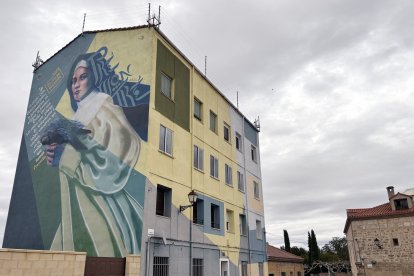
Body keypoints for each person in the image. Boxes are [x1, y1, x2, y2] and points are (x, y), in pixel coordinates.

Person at [45, 54, 143, 257]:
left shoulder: (103, 106)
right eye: (73, 80)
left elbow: (118, 156)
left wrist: (66, 158)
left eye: (82, 77)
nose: (76, 85)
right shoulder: (78, 114)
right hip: (75, 204)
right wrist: (56, 154)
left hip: (102, 204)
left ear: (94, 78)